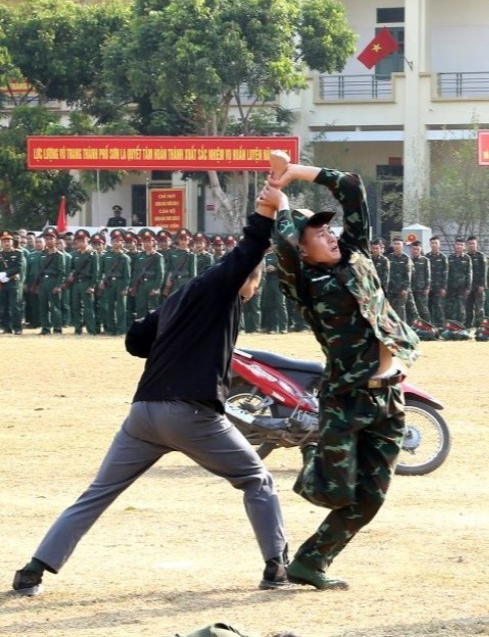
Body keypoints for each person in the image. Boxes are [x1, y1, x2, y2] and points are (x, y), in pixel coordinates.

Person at [12, 185, 289, 597]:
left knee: (97, 493)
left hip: (142, 416)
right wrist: (268, 212)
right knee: (257, 481)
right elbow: (248, 249)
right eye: (255, 283)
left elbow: (135, 341)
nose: (254, 291)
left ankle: (33, 570)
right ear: (245, 281)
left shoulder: (178, 300)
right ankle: (276, 568)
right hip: (191, 414)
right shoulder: (221, 288)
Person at [267, 153, 420, 589]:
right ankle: (312, 455)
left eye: (328, 228)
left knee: (370, 499)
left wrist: (297, 173)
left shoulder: (353, 252)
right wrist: (280, 205)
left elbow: (351, 186)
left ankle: (310, 563)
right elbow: (281, 244)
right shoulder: (304, 283)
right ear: (301, 247)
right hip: (346, 398)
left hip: (389, 396)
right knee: (335, 491)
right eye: (317, 233)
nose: (330, 236)